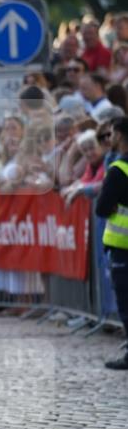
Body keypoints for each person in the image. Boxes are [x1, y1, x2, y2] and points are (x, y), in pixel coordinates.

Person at [95, 116, 128, 369]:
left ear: (120, 135)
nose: (109, 138)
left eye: (112, 134)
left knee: (126, 302)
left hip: (123, 247)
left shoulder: (119, 169)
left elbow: (103, 208)